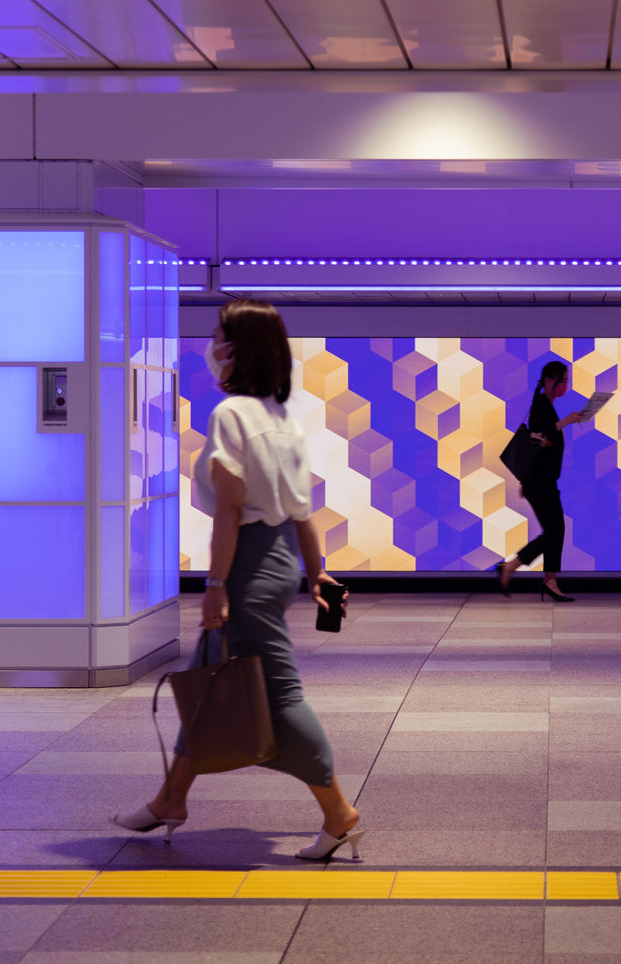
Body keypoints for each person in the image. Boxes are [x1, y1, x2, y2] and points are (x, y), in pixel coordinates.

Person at [111, 299, 363, 861]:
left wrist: (216, 586)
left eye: (217, 334)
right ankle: (170, 798)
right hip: (279, 562)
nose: (211, 344)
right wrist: (316, 571)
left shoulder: (231, 417)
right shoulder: (282, 419)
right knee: (210, 681)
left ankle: (338, 812)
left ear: (237, 349)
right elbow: (303, 511)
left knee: (279, 695)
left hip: (247, 567)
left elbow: (228, 509)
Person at [496, 360, 584, 602]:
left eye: (566, 380)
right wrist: (567, 421)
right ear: (549, 380)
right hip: (540, 482)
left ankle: (549, 580)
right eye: (563, 380)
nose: (565, 384)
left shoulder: (547, 406)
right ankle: (513, 566)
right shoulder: (540, 405)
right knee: (555, 530)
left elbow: (543, 444)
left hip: (542, 480)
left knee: (556, 530)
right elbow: (540, 436)